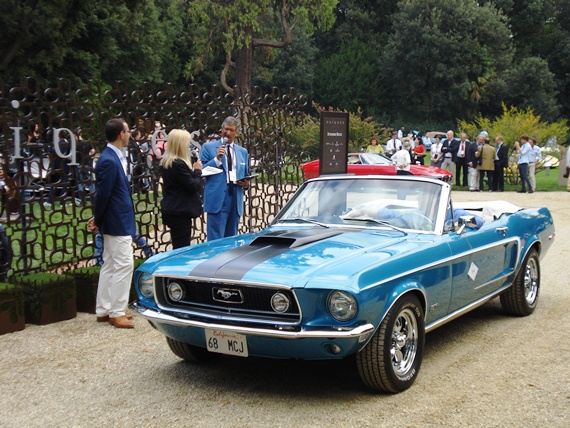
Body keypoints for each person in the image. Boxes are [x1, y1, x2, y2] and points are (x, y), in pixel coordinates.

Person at [88, 118, 136, 329]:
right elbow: (103, 194)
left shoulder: (111, 157)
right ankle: (116, 311)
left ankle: (104, 309)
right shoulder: (108, 160)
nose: (130, 134)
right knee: (124, 264)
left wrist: (98, 218)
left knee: (109, 263)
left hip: (115, 218)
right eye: (127, 131)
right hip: (117, 221)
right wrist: (98, 220)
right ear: (120, 134)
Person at [200, 116, 250, 241]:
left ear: (236, 132)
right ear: (221, 129)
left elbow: (246, 173)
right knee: (215, 238)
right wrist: (216, 159)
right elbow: (201, 171)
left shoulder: (242, 152)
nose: (227, 133)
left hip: (235, 194)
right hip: (218, 196)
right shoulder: (208, 147)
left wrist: (246, 183)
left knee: (231, 237)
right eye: (225, 129)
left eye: (231, 130)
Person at [160, 129, 203, 249]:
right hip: (180, 211)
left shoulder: (168, 162)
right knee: (181, 247)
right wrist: (197, 171)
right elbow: (193, 186)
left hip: (174, 208)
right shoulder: (177, 164)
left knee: (179, 243)